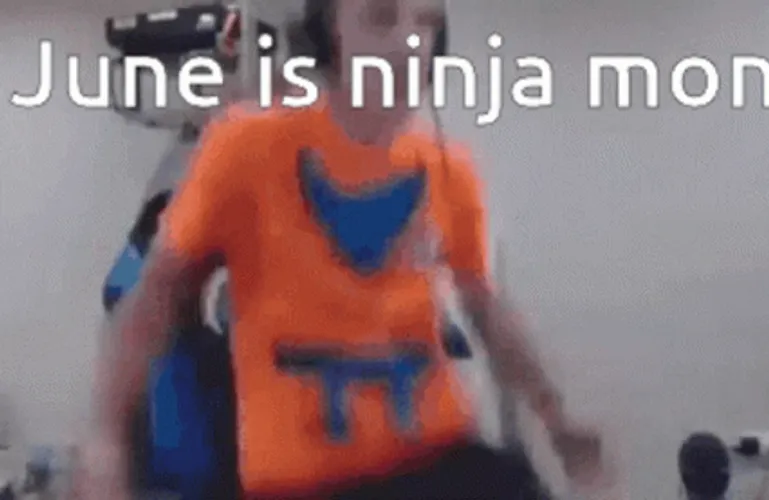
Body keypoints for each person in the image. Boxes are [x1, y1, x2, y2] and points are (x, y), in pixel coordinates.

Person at [74, 0, 604, 498]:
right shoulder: (244, 150)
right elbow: (155, 298)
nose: (410, 42)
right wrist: (105, 440)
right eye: (381, 17)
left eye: (426, 23)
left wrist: (556, 415)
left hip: (436, 456)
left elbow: (486, 308)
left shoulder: (449, 167)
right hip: (308, 479)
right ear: (326, 37)